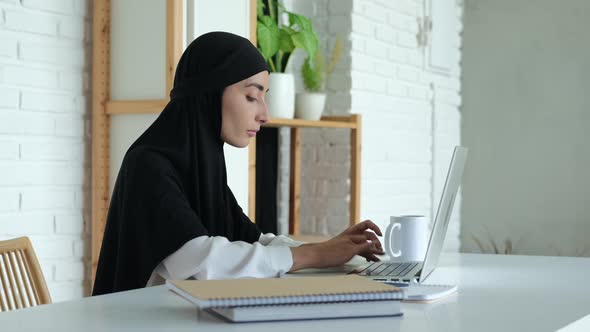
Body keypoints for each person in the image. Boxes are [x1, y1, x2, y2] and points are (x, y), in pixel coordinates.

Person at [92, 31, 384, 296]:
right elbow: (202, 261)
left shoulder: (202, 169)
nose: (264, 114)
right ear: (209, 94)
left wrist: (331, 250)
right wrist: (315, 256)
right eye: (251, 96)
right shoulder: (149, 164)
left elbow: (255, 240)